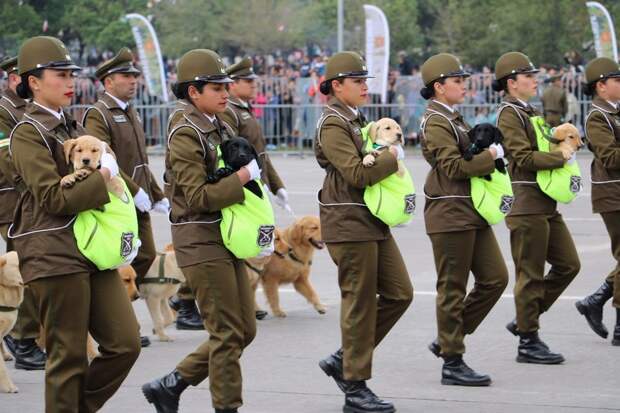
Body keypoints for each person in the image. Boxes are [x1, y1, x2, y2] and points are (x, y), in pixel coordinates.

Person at [10, 35, 140, 412]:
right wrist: (101, 177)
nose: (70, 82)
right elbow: (52, 197)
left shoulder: (71, 126)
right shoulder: (27, 131)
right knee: (68, 355)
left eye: (72, 75)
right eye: (60, 74)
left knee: (125, 343)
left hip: (90, 244)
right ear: (33, 81)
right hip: (52, 249)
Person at [142, 49, 258, 413]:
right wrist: (242, 178)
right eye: (216, 86)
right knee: (227, 333)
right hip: (200, 237)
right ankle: (227, 407)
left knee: (244, 330)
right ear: (193, 91)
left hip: (224, 235)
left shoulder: (217, 123)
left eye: (226, 85)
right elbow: (195, 195)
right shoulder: (185, 131)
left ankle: (171, 383)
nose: (226, 92)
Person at [315, 51, 413, 413]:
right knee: (358, 303)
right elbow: (356, 173)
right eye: (357, 82)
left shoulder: (353, 119)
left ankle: (345, 358)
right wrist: (394, 155)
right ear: (336, 86)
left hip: (370, 220)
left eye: (364, 81)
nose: (364, 87)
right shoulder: (333, 123)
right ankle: (355, 387)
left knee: (400, 293)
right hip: (348, 222)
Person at [419, 53, 508, 386]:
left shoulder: (452, 117)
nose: (463, 86)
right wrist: (492, 156)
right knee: (452, 288)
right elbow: (454, 167)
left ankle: (448, 338)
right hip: (449, 211)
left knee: (495, 278)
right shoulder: (436, 121)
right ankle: (452, 362)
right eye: (457, 81)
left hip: (470, 209)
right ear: (439, 87)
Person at [493, 51, 580, 364]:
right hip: (526, 202)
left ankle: (524, 318)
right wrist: (562, 156)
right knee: (530, 274)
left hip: (544, 201)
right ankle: (528, 341)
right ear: (512, 83)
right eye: (528, 76)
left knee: (569, 264)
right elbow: (523, 157)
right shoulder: (508, 114)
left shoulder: (528, 111)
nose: (534, 80)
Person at [82, 48, 168, 346]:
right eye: (125, 76)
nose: (133, 81)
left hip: (137, 202)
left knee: (144, 259)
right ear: (108, 81)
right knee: (118, 264)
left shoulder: (129, 110)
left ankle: (133, 322)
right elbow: (103, 159)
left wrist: (157, 195)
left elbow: (140, 160)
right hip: (118, 201)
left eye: (134, 75)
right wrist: (135, 191)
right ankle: (117, 327)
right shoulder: (100, 113)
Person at [0, 55, 47, 370]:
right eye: (21, 77)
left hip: (29, 200)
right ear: (12, 78)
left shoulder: (28, 110)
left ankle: (27, 334)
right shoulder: (3, 112)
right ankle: (22, 336)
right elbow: (6, 157)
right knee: (23, 269)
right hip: (12, 201)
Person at [575, 57, 620, 346]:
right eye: (617, 80)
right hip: (612, 194)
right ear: (601, 86)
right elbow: (611, 157)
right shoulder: (596, 118)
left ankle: (597, 298)